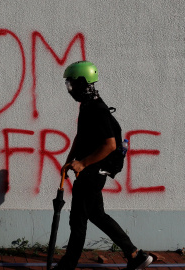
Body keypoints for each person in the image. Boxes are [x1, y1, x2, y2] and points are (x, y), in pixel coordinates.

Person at [53, 61, 153, 270]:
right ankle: (135, 255)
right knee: (97, 215)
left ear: (82, 83)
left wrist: (82, 163)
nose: (69, 89)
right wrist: (69, 160)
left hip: (93, 171)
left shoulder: (97, 109)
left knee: (77, 222)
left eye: (71, 84)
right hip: (90, 169)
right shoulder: (88, 105)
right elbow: (81, 137)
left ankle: (66, 267)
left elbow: (110, 145)